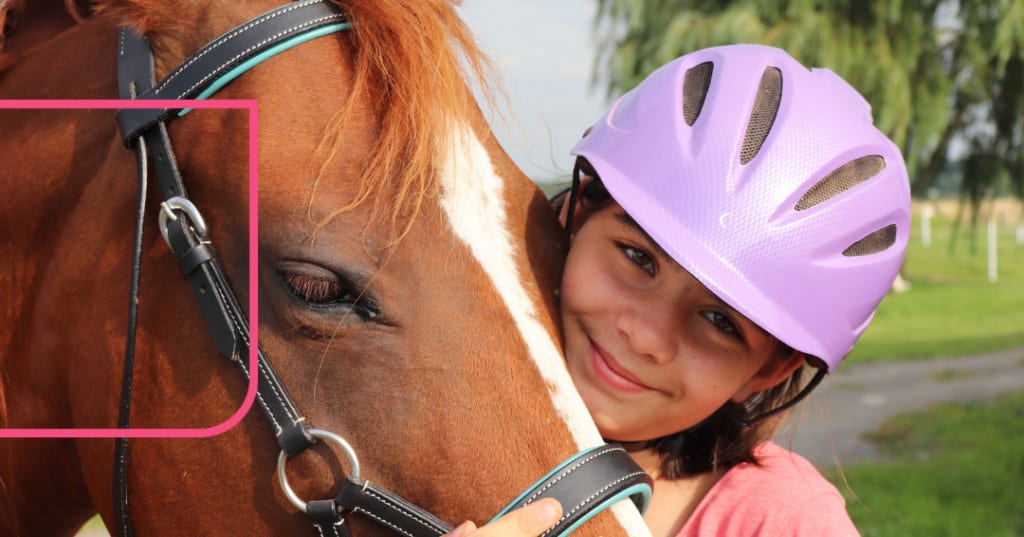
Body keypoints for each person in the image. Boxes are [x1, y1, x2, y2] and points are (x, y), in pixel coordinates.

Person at [454, 43, 910, 537]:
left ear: (768, 370)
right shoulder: (413, 402)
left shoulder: (782, 523)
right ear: (577, 214)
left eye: (719, 322)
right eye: (637, 258)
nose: (647, 336)